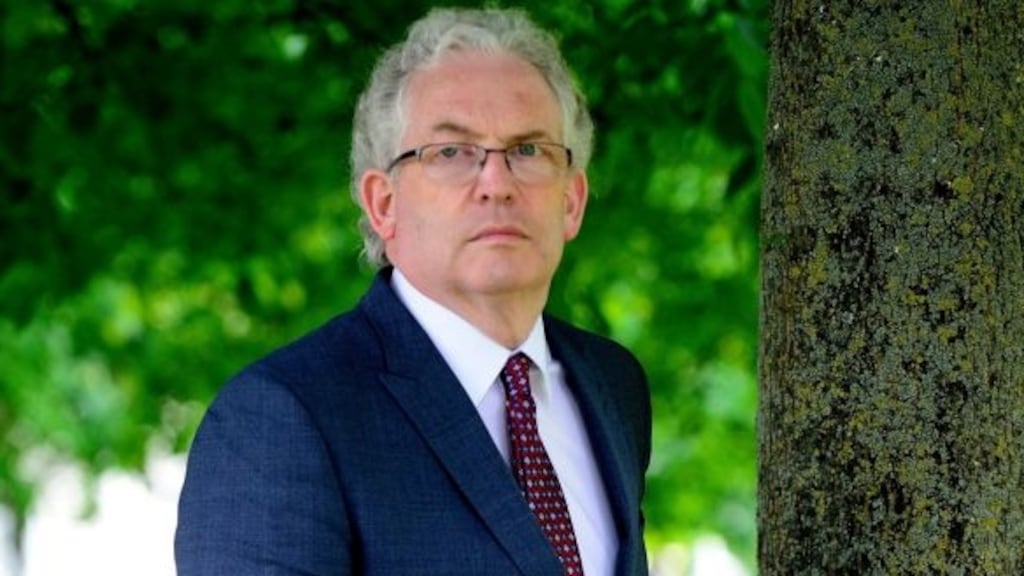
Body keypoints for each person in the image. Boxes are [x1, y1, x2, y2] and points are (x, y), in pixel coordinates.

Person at [175, 7, 651, 576]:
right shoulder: (282, 418)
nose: (496, 184)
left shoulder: (613, 385)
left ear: (571, 199)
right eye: (451, 152)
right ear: (383, 204)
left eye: (528, 150)